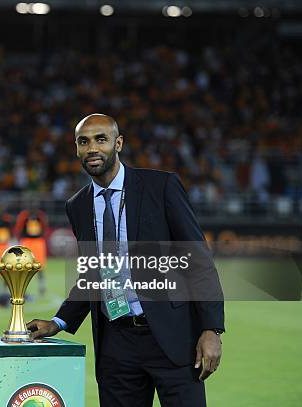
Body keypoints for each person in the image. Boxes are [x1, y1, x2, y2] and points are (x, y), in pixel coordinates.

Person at [27, 114, 225, 407]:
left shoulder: (162, 186)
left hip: (172, 338)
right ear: (77, 149)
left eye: (101, 139)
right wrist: (59, 321)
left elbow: (198, 258)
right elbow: (91, 274)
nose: (92, 148)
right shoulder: (78, 205)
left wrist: (211, 328)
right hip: (116, 344)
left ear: (118, 143)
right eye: (84, 142)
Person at [14, 204, 48, 296]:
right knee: (24, 266)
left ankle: (41, 287)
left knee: (40, 266)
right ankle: (23, 288)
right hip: (27, 241)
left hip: (38, 242)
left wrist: (42, 237)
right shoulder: (23, 215)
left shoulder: (40, 215)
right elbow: (19, 228)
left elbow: (45, 227)